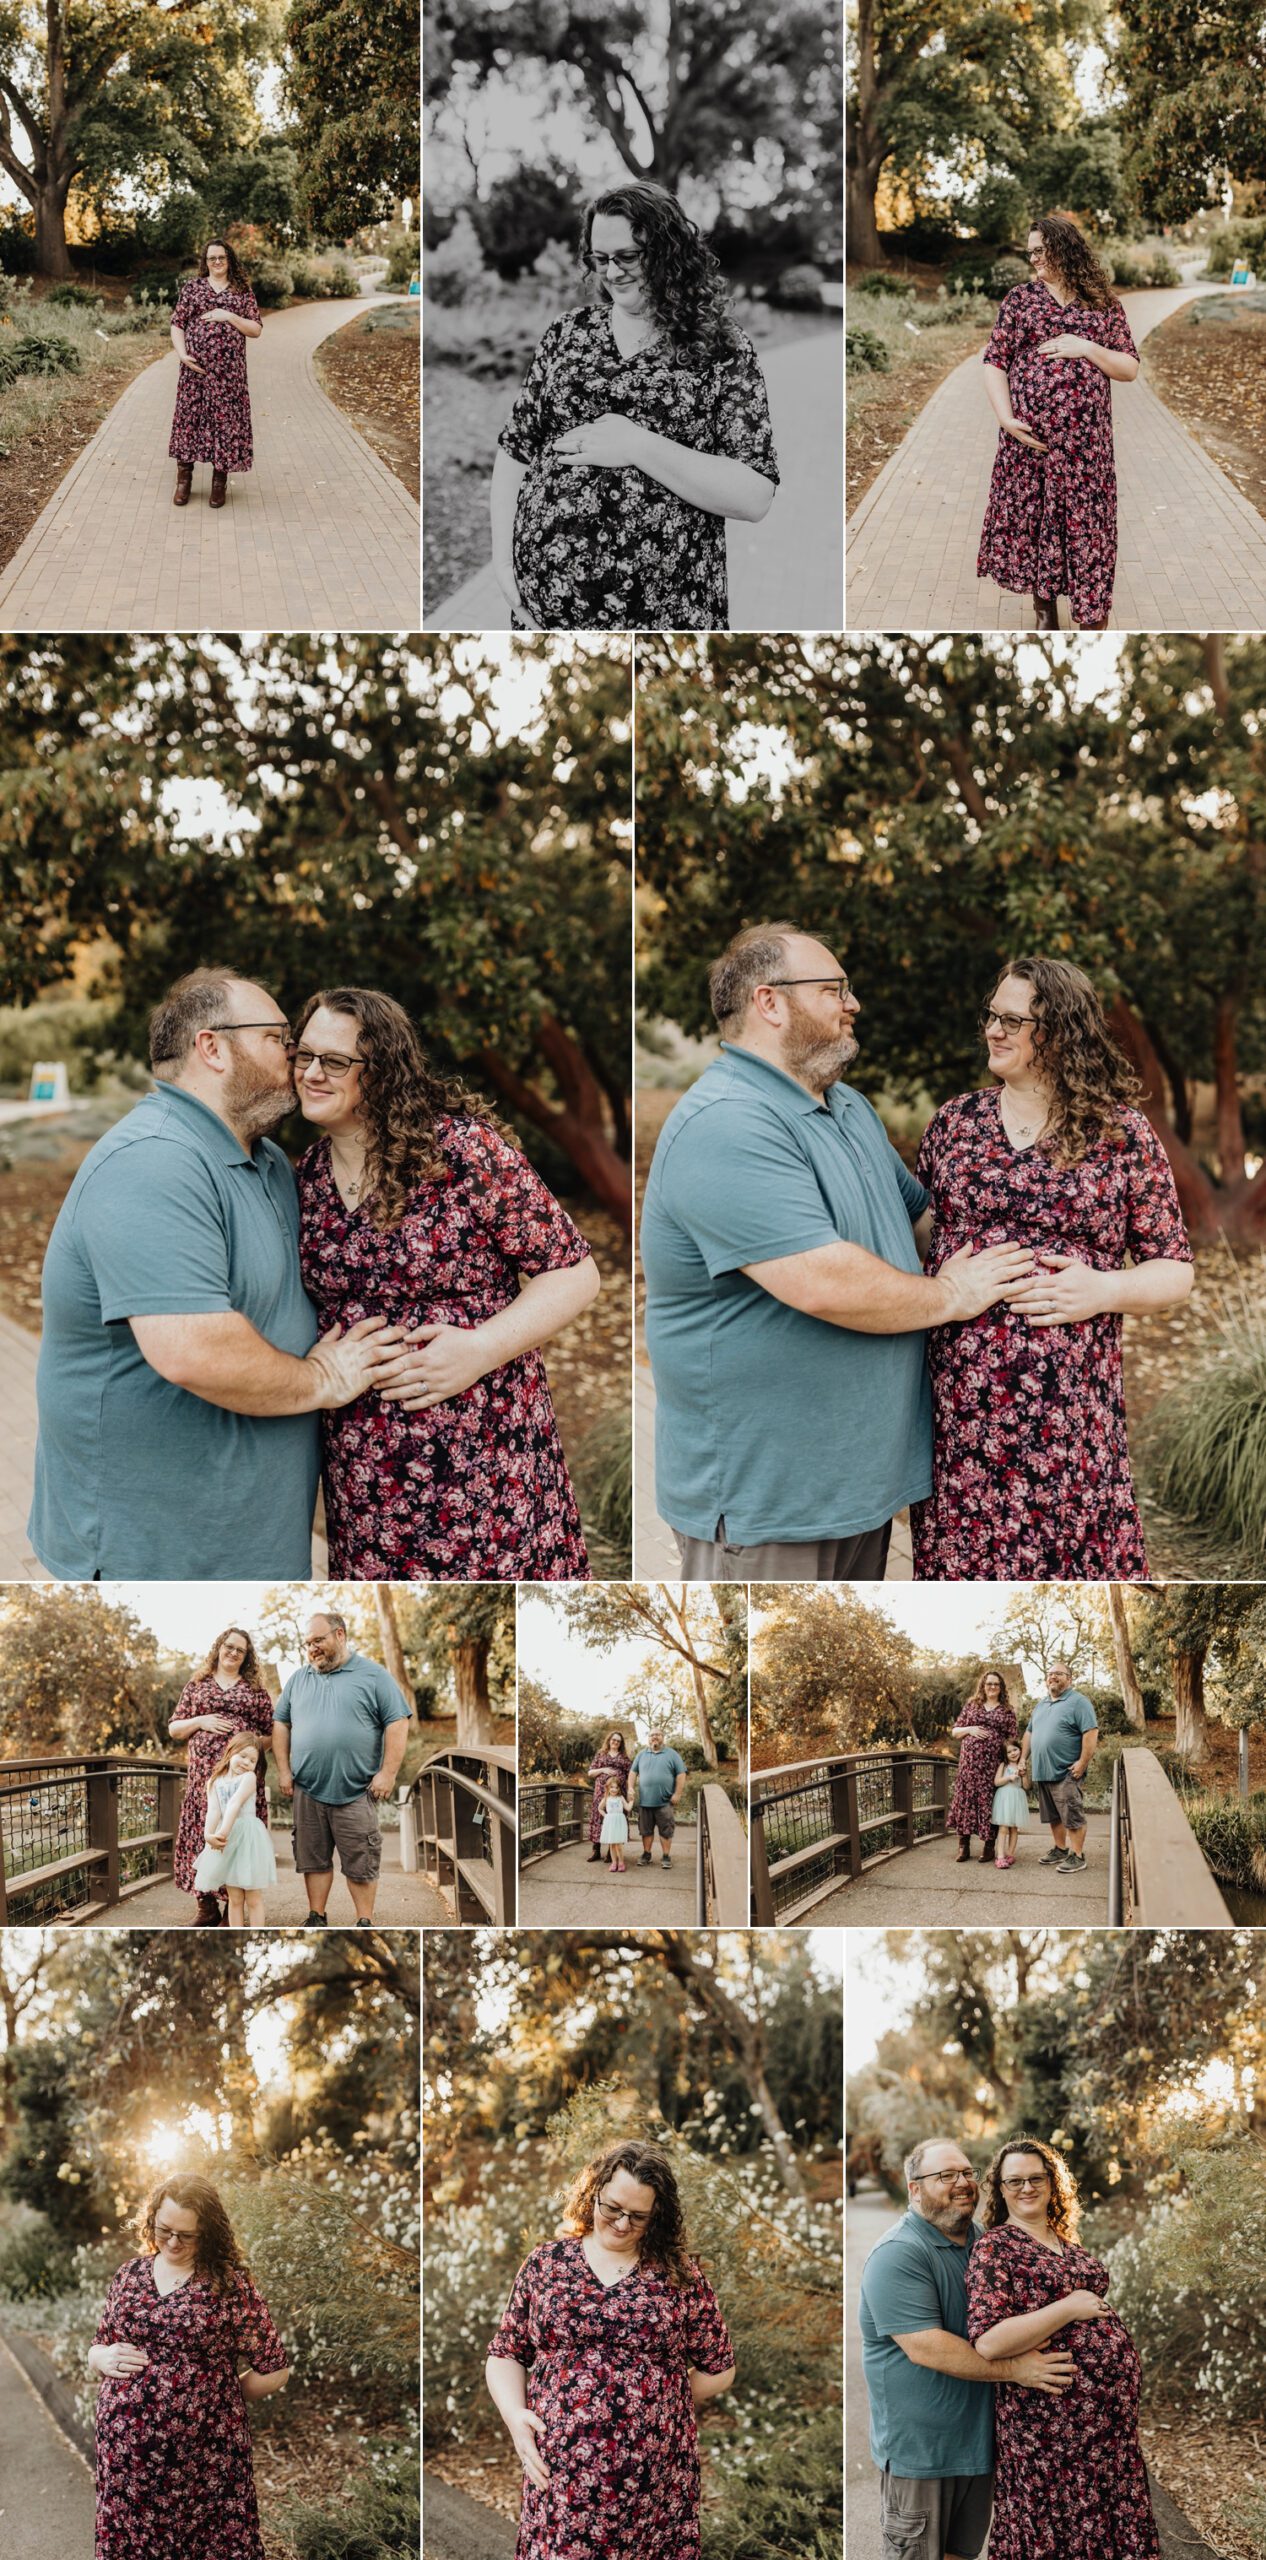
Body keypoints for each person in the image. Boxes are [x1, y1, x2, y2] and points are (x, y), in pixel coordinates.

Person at [641, 922, 1036, 1580]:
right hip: (769, 1502)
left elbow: (919, 1222)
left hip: (856, 1489)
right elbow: (822, 1281)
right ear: (770, 1003)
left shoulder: (845, 1105)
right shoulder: (727, 1122)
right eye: (833, 989)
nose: (853, 1004)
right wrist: (953, 1295)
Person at [28, 968, 407, 1581]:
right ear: (212, 1047)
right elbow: (193, 1350)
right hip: (157, 1554)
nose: (295, 1057)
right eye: (278, 1038)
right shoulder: (152, 1161)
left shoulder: (270, 1163)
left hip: (247, 1542)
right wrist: (320, 1380)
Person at [292, 985, 599, 1579]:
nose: (311, 1073)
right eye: (303, 1056)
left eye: (334, 1061)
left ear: (380, 1072)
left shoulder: (460, 1153)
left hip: (487, 1455)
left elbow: (574, 1272)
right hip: (367, 1476)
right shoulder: (305, 1177)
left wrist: (480, 1349)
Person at [911, 956, 1194, 1580]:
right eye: (992, 1015)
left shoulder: (1120, 1135)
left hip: (1072, 1418)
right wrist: (936, 1284)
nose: (994, 1030)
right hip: (962, 1414)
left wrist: (1104, 1288)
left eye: (1015, 1019)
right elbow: (913, 1238)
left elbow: (1175, 1269)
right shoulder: (956, 1123)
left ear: (1061, 1031)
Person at [492, 180, 779, 632]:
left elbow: (754, 494)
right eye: (599, 258)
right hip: (546, 614)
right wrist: (503, 562)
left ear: (667, 252)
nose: (612, 272)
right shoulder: (567, 334)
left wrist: (636, 444)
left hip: (663, 619)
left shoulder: (720, 348)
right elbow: (515, 449)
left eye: (628, 256)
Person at [486, 2139, 735, 2560]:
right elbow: (507, 2351)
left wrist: (660, 2402)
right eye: (613, 2209)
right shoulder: (547, 2264)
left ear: (658, 2217)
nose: (621, 2224)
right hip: (561, 2473)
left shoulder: (680, 2278)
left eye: (638, 2217)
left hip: (654, 2483)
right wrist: (515, 2418)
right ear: (593, 2193)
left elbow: (719, 2367)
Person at [858, 2137, 1077, 2560]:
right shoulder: (899, 2253)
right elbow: (927, 2348)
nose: (961, 2183)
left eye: (966, 2173)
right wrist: (1017, 2369)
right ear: (914, 2188)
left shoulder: (982, 2241)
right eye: (945, 2175)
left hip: (977, 2447)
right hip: (922, 2455)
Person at [966, 2138, 1162, 2560]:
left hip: (1106, 2434)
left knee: (1108, 2523)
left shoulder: (1063, 2239)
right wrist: (1069, 2306)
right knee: (1059, 2532)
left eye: (1036, 2178)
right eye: (1013, 2180)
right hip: (1050, 2431)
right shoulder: (995, 2247)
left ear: (1053, 2184)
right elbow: (989, 2341)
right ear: (999, 2189)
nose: (1026, 2187)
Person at [89, 2172, 289, 2560]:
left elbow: (275, 2368)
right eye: (164, 2230)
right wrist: (102, 2357)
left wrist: (220, 2396)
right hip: (126, 2459)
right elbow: (99, 2343)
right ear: (152, 2221)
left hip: (204, 2462)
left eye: (187, 2235)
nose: (173, 2242)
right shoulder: (129, 2276)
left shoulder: (230, 2287)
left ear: (208, 2233)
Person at [976, 216, 1140, 630]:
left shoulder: (1102, 303)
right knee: (1037, 523)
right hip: (1031, 444)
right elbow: (994, 362)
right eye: (1029, 251)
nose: (1032, 259)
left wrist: (1086, 347)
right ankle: (1044, 610)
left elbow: (1129, 368)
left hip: (1087, 449)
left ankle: (1091, 614)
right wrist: (1006, 418)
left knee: (1089, 528)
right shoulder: (1020, 300)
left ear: (1065, 249)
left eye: (1039, 251)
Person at [272, 1609, 411, 1925]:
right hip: (307, 1788)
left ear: (340, 1634)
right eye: (308, 1643)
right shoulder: (298, 1679)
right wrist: (283, 1770)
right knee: (313, 1859)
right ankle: (316, 1916)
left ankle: (364, 1921)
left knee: (361, 1859)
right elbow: (280, 1723)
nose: (312, 1648)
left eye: (318, 1640)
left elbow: (398, 1722)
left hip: (356, 1789)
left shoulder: (373, 1675)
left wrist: (387, 1772)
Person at [170, 1627, 275, 1927]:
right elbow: (174, 1729)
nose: (233, 1652)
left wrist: (246, 1749)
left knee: (236, 1839)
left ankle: (234, 1911)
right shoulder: (197, 1685)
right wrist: (201, 1720)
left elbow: (270, 1733)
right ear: (219, 1647)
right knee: (199, 1837)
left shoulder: (254, 1690)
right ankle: (207, 1909)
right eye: (229, 1646)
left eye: (240, 1650)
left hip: (239, 1782)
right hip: (204, 1778)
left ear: (247, 1657)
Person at [169, 238, 263, 509]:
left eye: (222, 258)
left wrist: (228, 315)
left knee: (224, 425)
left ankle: (218, 484)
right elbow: (177, 324)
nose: (218, 262)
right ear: (206, 262)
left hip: (229, 376)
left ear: (229, 259)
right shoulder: (193, 288)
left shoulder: (241, 290)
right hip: (195, 372)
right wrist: (182, 353)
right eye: (213, 259)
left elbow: (256, 329)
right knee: (189, 422)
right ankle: (183, 482)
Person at [1019, 1662, 1099, 1877]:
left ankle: (1078, 1855)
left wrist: (1082, 1762)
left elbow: (1090, 1733)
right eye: (1050, 1673)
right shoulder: (1041, 1704)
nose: (1053, 1677)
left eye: (1059, 1674)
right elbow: (1029, 1733)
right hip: (1043, 1770)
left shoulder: (1078, 1702)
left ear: (1069, 1679)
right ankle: (1060, 1849)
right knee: (1053, 1816)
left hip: (1066, 1771)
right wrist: (1023, 1759)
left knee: (1072, 1815)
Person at [193, 1734, 278, 1927]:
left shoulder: (248, 1778)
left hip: (247, 1837)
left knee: (253, 1896)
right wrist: (209, 1835)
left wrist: (222, 1834)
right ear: (230, 1752)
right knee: (235, 1897)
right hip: (228, 1837)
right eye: (242, 1755)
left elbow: (234, 1804)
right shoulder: (215, 1781)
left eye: (253, 1760)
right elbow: (214, 1810)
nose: (246, 1762)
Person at [948, 1671, 1018, 1865]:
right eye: (989, 1684)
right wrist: (970, 1729)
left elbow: (1012, 1739)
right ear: (983, 1686)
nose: (992, 1687)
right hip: (969, 1765)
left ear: (1001, 1687)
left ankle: (989, 1845)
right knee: (965, 1800)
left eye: (996, 1684)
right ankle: (964, 1845)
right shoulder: (972, 1705)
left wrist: (1012, 1763)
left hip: (992, 1765)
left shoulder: (1007, 1710)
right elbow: (955, 1731)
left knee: (990, 1802)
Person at [630, 1728, 687, 1868]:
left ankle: (666, 1856)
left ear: (663, 1737)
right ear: (648, 1738)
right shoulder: (641, 1754)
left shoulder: (672, 1754)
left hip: (665, 1802)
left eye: (657, 1735)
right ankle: (646, 1854)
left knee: (666, 1831)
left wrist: (677, 1794)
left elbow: (681, 1775)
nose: (654, 1737)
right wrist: (630, 1788)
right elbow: (633, 1772)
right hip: (645, 1801)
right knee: (646, 1831)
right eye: (651, 1735)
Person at [585, 1729, 632, 1863]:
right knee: (599, 1818)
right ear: (609, 1740)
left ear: (621, 1743)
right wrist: (603, 1770)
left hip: (618, 1793)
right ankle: (596, 1850)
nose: (615, 1742)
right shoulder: (601, 1754)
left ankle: (611, 1853)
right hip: (601, 1793)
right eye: (613, 1740)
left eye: (618, 1741)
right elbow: (590, 1773)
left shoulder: (624, 1758)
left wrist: (629, 1791)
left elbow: (631, 1775)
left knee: (615, 1819)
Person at [991, 1742, 1030, 1870]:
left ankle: (1010, 1854)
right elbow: (996, 1782)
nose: (1013, 1753)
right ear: (1005, 1755)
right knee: (1003, 1828)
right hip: (1005, 1797)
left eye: (1015, 1749)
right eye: (1009, 1752)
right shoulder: (1004, 1765)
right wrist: (1009, 1777)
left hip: (1017, 1798)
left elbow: (1026, 1786)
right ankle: (1000, 1856)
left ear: (1020, 1750)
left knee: (1014, 1828)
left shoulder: (1022, 1765)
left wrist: (1024, 1775)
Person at [599, 1775, 631, 1874]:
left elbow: (628, 1808)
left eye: (616, 1787)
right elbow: (599, 1808)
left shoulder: (620, 1798)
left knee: (618, 1845)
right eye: (612, 1787)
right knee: (612, 1845)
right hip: (610, 1823)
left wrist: (632, 1800)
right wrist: (606, 1816)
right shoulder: (606, 1798)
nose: (614, 1789)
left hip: (619, 1822)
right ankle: (614, 1863)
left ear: (619, 1788)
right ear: (608, 1788)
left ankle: (621, 1862)